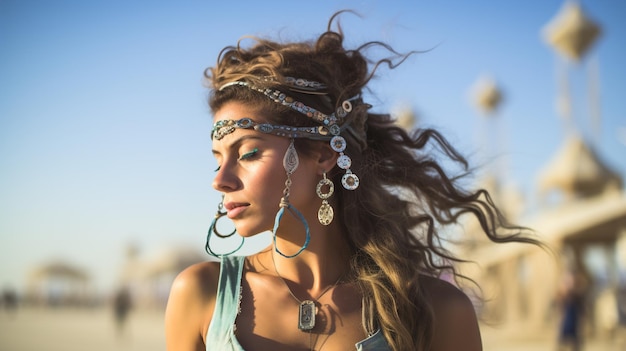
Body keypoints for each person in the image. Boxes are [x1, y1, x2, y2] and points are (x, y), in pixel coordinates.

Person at [165, 11, 539, 351]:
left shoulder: (435, 310)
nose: (221, 180)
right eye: (217, 160)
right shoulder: (202, 295)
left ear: (324, 155)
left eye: (247, 154)